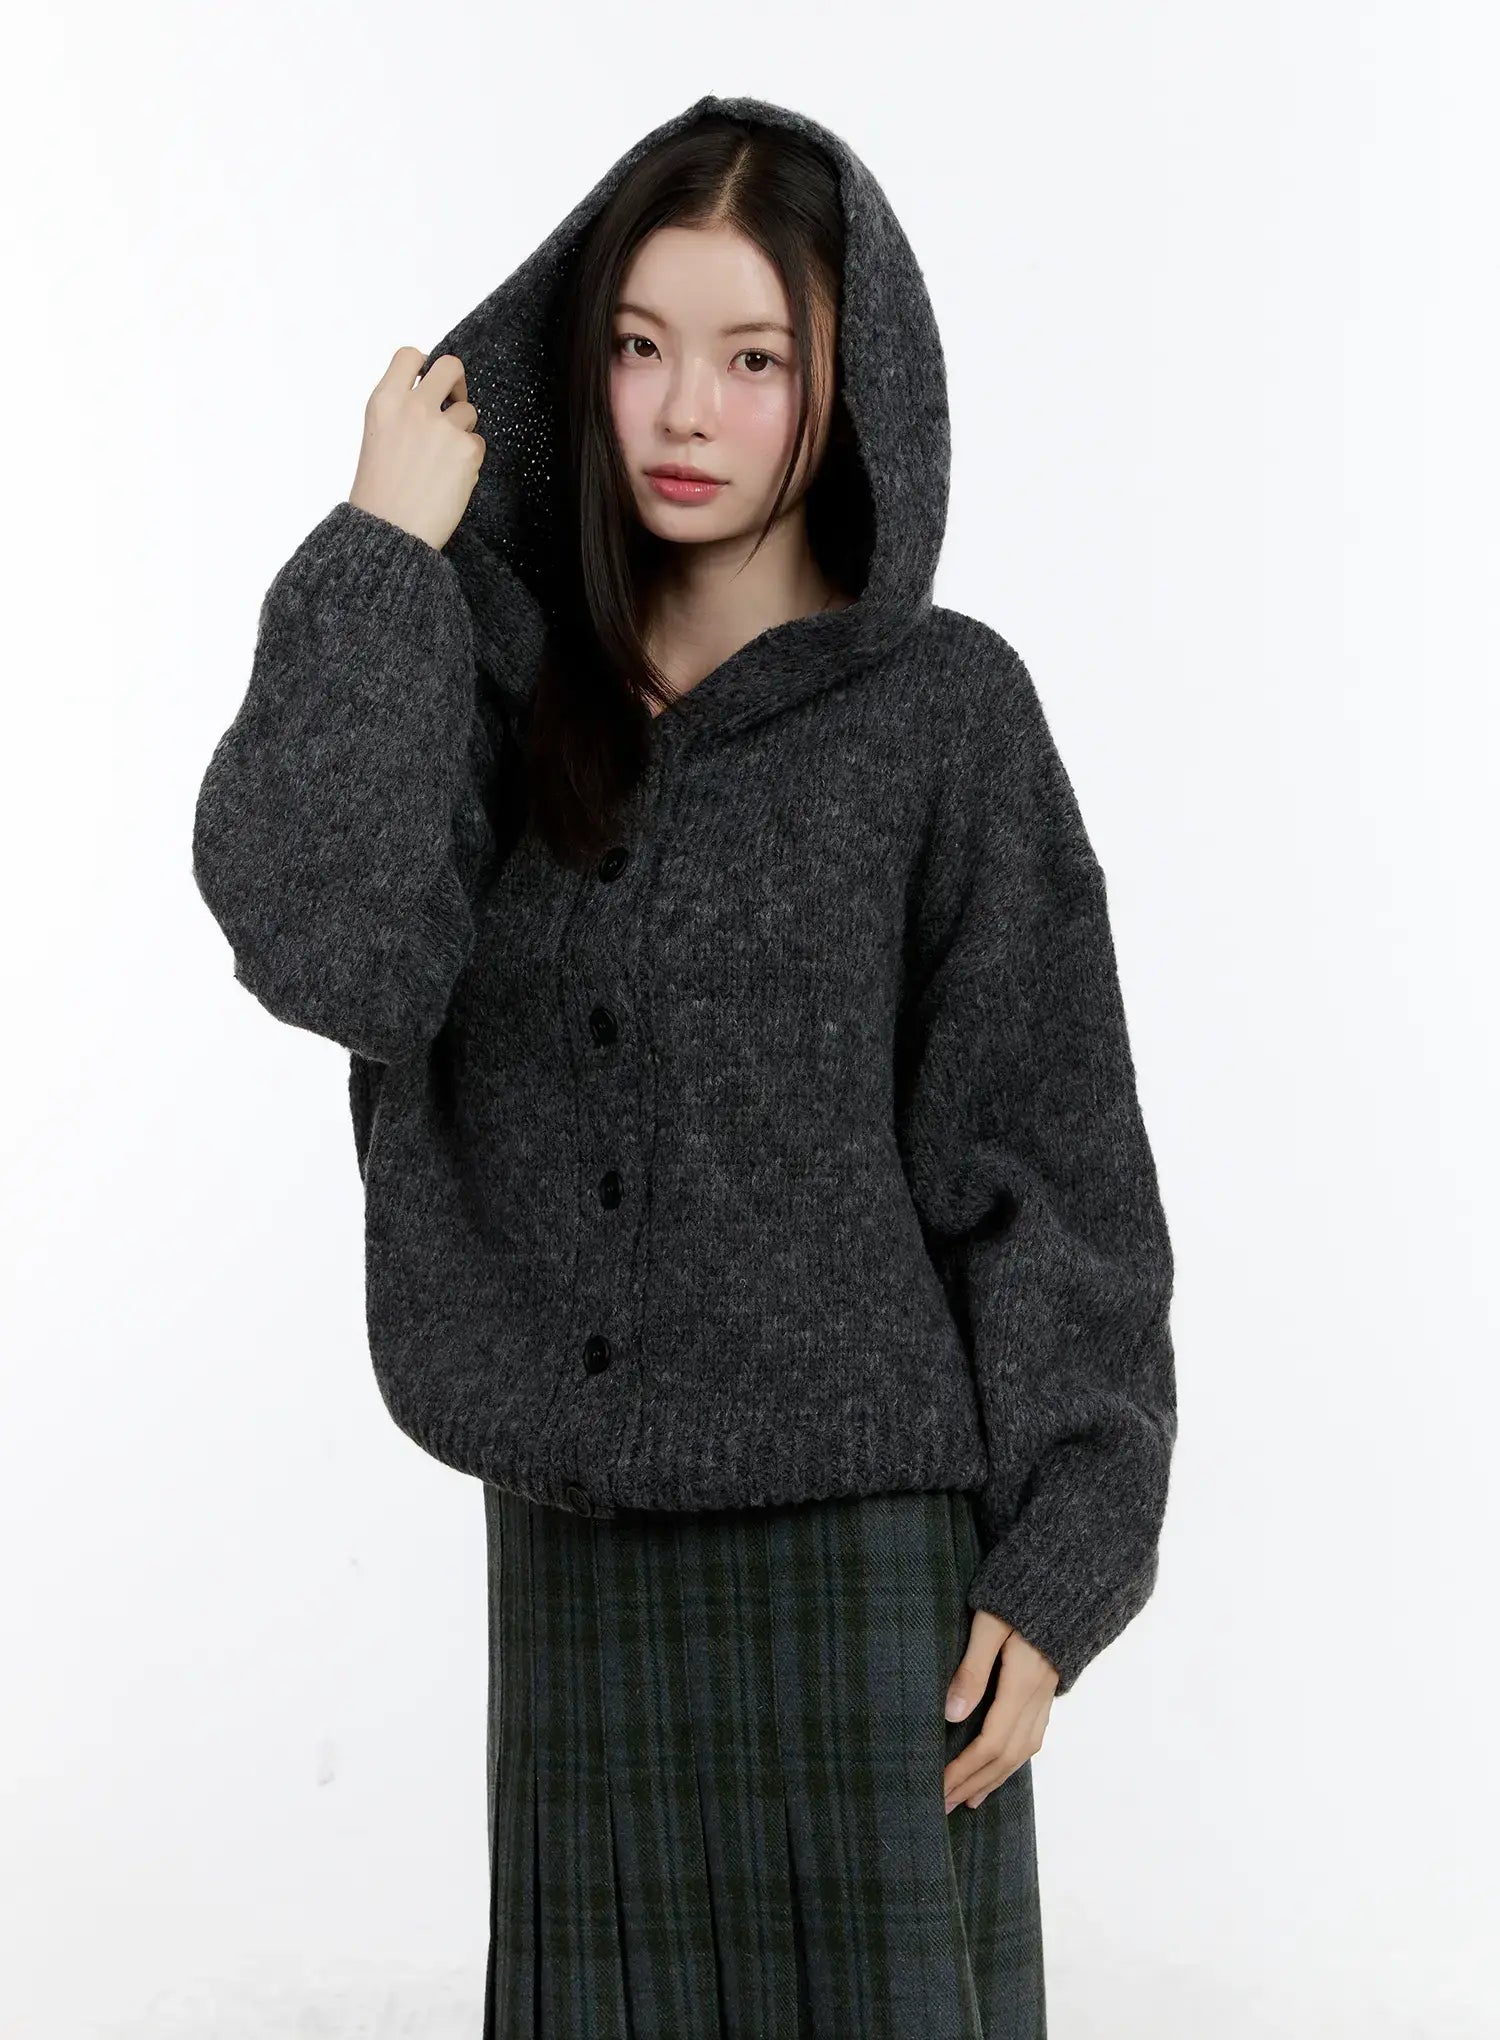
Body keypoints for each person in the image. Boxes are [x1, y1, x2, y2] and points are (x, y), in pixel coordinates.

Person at [192, 91, 1177, 2039]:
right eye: (639, 348)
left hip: (873, 1584)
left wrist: (1069, 1556)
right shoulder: (497, 695)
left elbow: (1046, 1158)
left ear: (850, 385)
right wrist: (382, 551)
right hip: (575, 1572)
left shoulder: (946, 717)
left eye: (754, 359)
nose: (684, 412)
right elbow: (323, 939)